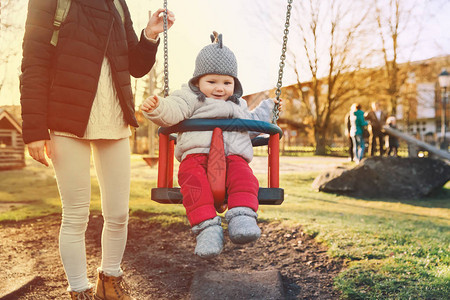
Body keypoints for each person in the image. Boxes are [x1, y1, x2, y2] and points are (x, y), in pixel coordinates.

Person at [20, 1, 175, 299]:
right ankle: (79, 291)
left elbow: (135, 65)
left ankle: (110, 282)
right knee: (76, 214)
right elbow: (34, 63)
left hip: (115, 118)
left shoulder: (116, 2)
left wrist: (150, 35)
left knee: (118, 214)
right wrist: (35, 131)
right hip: (66, 119)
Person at [141, 32, 281, 259]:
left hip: (233, 157)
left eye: (227, 82)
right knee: (192, 183)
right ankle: (207, 229)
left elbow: (253, 125)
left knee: (245, 179)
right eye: (212, 81)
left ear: (234, 84)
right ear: (198, 82)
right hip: (196, 157)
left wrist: (269, 110)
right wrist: (158, 108)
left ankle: (242, 218)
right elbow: (172, 111)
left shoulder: (238, 105)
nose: (219, 88)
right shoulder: (190, 98)